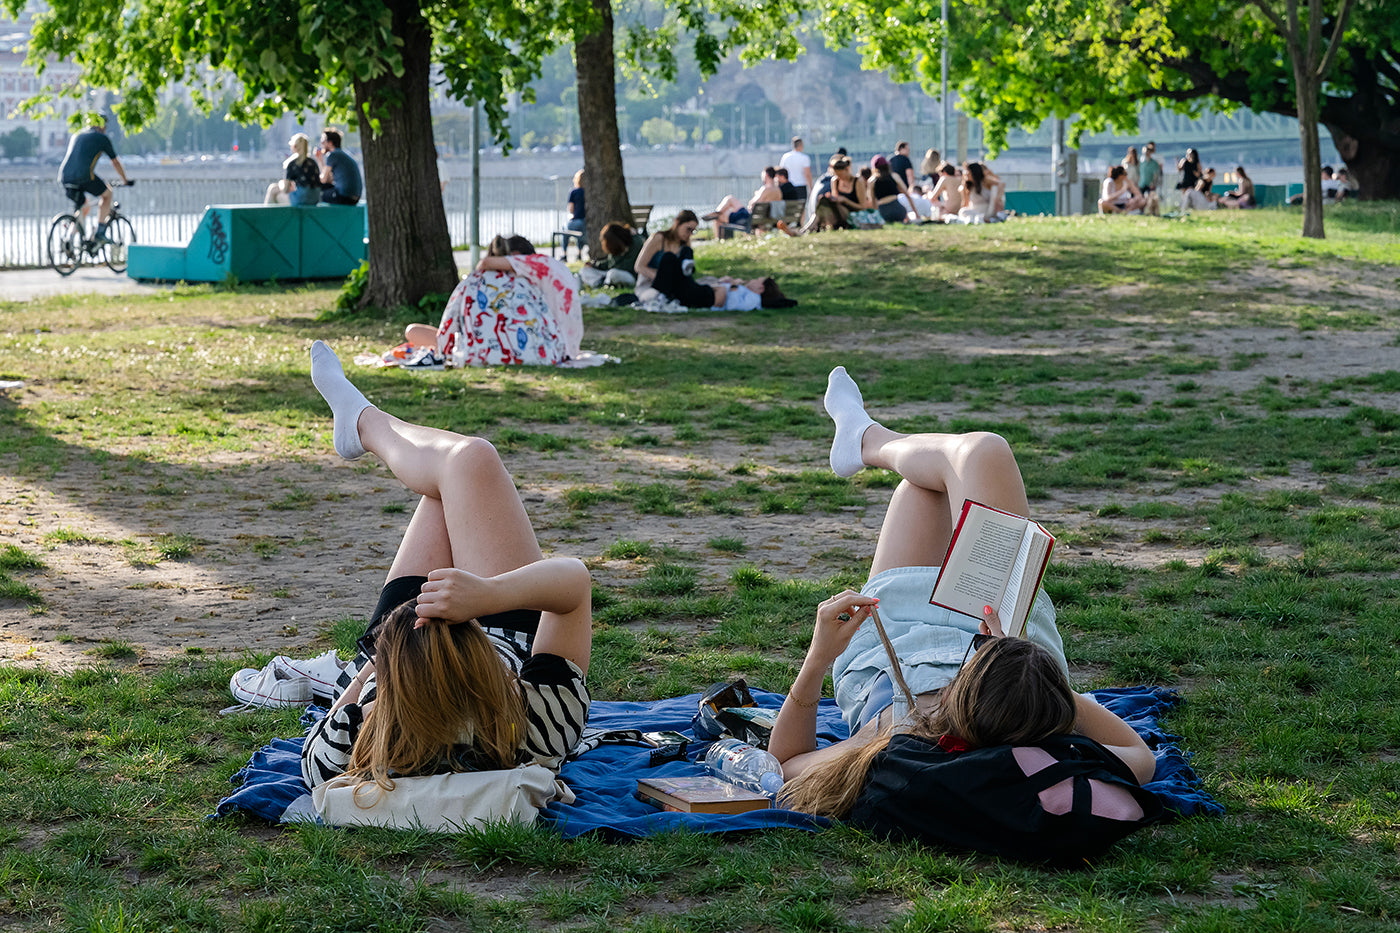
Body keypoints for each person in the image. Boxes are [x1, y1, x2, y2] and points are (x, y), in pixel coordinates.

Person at [768, 367, 1157, 826]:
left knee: (928, 485)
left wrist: (818, 658)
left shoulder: (892, 738)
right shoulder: (1042, 722)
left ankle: (867, 440)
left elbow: (785, 765)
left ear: (956, 695)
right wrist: (1025, 675)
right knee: (976, 455)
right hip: (1003, 635)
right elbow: (1140, 755)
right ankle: (866, 440)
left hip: (901, 636)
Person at [300, 341, 592, 793]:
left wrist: (378, 666)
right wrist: (489, 596)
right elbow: (575, 584)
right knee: (466, 464)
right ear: (488, 672)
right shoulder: (529, 721)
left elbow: (335, 729)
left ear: (387, 688)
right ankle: (364, 423)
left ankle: (363, 422)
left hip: (411, 659)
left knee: (457, 473)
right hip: (463, 636)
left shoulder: (360, 736)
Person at [402, 235, 583, 367]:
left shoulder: (521, 271)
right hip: (561, 345)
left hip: (554, 343)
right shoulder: (545, 270)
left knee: (413, 331)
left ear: (515, 256)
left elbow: (486, 264)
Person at [635, 211, 768, 309]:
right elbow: (639, 266)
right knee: (669, 259)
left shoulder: (685, 245)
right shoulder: (659, 238)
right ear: (677, 223)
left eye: (693, 231)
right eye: (688, 229)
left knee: (704, 280)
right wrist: (663, 278)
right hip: (650, 284)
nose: (689, 234)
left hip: (674, 285)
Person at [57, 115, 130, 244]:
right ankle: (100, 233)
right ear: (102, 126)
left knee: (83, 206)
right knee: (107, 194)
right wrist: (125, 180)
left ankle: (70, 239)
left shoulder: (78, 135)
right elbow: (115, 162)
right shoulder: (102, 138)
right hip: (83, 176)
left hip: (65, 177)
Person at [578, 222, 645, 288]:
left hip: (629, 275)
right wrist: (594, 264)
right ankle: (602, 282)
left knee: (613, 274)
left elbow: (626, 266)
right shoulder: (615, 248)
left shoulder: (636, 243)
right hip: (609, 273)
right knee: (584, 271)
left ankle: (602, 282)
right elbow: (609, 263)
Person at [264, 133, 321, 206]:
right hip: (314, 199)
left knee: (274, 190)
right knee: (275, 189)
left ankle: (266, 215)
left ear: (294, 146)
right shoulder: (313, 162)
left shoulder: (292, 163)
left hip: (301, 200)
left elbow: (285, 189)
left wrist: (281, 183)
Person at [869, 155, 924, 223]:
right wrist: (916, 214)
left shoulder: (872, 181)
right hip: (898, 211)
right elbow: (907, 195)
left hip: (883, 212)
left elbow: (873, 202)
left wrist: (877, 216)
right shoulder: (894, 176)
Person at [316, 128, 363, 205]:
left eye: (323, 141)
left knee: (316, 194)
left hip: (344, 196)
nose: (321, 144)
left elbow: (323, 180)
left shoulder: (332, 155)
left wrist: (319, 160)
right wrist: (321, 160)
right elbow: (329, 180)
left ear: (330, 143)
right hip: (355, 197)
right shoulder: (341, 154)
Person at [779, 137, 813, 202]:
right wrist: (811, 188)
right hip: (801, 186)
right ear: (801, 145)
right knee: (801, 208)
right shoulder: (804, 158)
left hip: (788, 186)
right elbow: (807, 174)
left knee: (789, 207)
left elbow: (782, 172)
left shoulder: (785, 157)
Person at [564, 169, 586, 254]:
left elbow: (571, 209)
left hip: (577, 220)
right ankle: (580, 253)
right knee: (582, 231)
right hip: (587, 222)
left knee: (565, 229)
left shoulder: (574, 192)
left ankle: (565, 253)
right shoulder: (590, 193)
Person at [1138, 141, 1163, 215]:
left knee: (1151, 199)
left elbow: (1156, 174)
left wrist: (1154, 183)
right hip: (1142, 183)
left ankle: (1151, 212)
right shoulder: (1141, 162)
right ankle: (1141, 212)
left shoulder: (1154, 163)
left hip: (1151, 184)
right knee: (1141, 198)